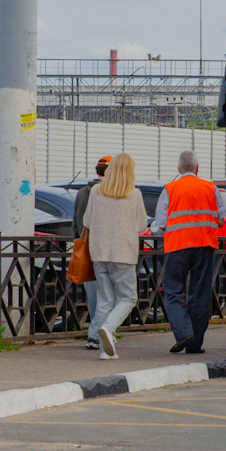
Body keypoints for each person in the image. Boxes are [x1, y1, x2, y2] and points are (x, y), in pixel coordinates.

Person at [151, 150, 226, 354]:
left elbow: (161, 222)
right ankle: (195, 343)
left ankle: (184, 331)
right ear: (197, 168)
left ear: (179, 169)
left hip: (177, 246)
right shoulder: (210, 187)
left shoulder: (170, 188)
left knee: (173, 290)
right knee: (200, 292)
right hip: (205, 244)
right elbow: (222, 219)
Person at [85, 153, 149, 359]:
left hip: (99, 253)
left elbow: (86, 221)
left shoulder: (96, 191)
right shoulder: (134, 194)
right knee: (128, 298)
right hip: (124, 254)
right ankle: (109, 328)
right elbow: (141, 226)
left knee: (104, 301)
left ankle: (106, 351)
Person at [73, 155, 113, 350]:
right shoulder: (111, 192)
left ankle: (97, 333)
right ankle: (97, 335)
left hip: (86, 248)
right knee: (108, 295)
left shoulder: (81, 193)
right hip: (107, 249)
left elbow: (76, 223)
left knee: (93, 295)